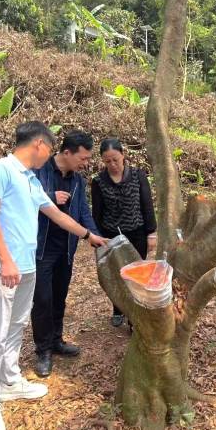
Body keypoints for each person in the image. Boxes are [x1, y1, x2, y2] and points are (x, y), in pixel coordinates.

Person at [0, 121, 105, 430]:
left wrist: (90, 235)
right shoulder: (0, 169)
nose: (47, 154)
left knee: (17, 324)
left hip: (26, 266)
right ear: (39, 144)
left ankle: (10, 380)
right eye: (48, 147)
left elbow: (58, 216)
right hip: (0, 267)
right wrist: (5, 260)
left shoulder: (31, 180)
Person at [31, 130, 102, 377]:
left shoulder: (78, 182)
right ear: (67, 152)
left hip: (66, 250)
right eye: (82, 158)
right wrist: (51, 197)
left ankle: (57, 341)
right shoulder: (39, 172)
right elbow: (24, 202)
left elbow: (83, 211)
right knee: (42, 300)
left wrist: (94, 236)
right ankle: (43, 350)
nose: (85, 163)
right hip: (41, 249)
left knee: (59, 297)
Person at [91, 138, 157, 327]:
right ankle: (118, 309)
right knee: (118, 273)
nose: (112, 165)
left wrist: (151, 233)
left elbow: (147, 205)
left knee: (136, 274)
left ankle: (135, 315)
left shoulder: (138, 175)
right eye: (107, 161)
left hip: (137, 233)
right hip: (112, 236)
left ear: (123, 155)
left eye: (115, 160)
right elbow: (97, 212)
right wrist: (98, 238)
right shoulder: (98, 181)